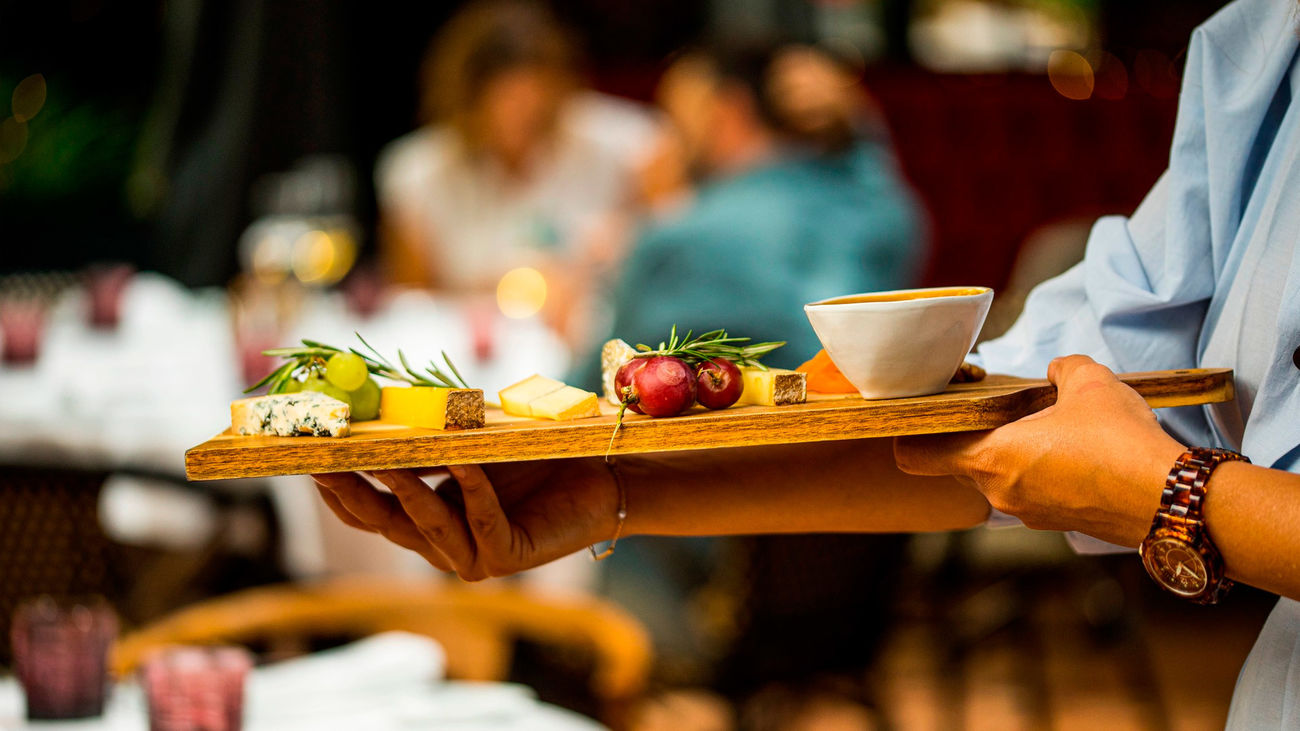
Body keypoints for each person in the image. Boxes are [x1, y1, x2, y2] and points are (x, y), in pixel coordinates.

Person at [314, 0, 1300, 726]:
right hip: (844, 579)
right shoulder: (886, 204)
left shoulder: (679, 238)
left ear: (727, 123)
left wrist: (1177, 496)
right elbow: (1003, 391)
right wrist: (616, 488)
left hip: (717, 588)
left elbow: (587, 380)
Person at [374, 0, 657, 339]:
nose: (518, 122)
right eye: (503, 107)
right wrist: (494, 293)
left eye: (533, 110)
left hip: (596, 346)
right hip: (471, 357)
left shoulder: (627, 145)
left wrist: (613, 254)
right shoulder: (417, 173)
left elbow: (669, 251)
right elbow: (410, 305)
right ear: (468, 101)